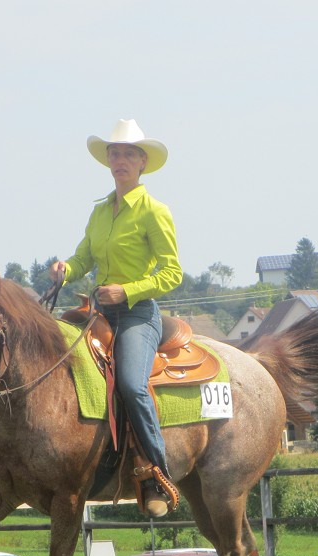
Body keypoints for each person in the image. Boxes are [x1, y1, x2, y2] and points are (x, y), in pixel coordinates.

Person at [50, 119, 184, 517]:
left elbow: (172, 273)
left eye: (127, 153)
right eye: (114, 153)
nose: (119, 159)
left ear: (143, 162)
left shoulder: (154, 212)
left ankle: (156, 473)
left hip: (138, 315)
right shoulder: (98, 213)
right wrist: (66, 269)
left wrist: (127, 290)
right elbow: (83, 258)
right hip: (99, 314)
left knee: (130, 384)